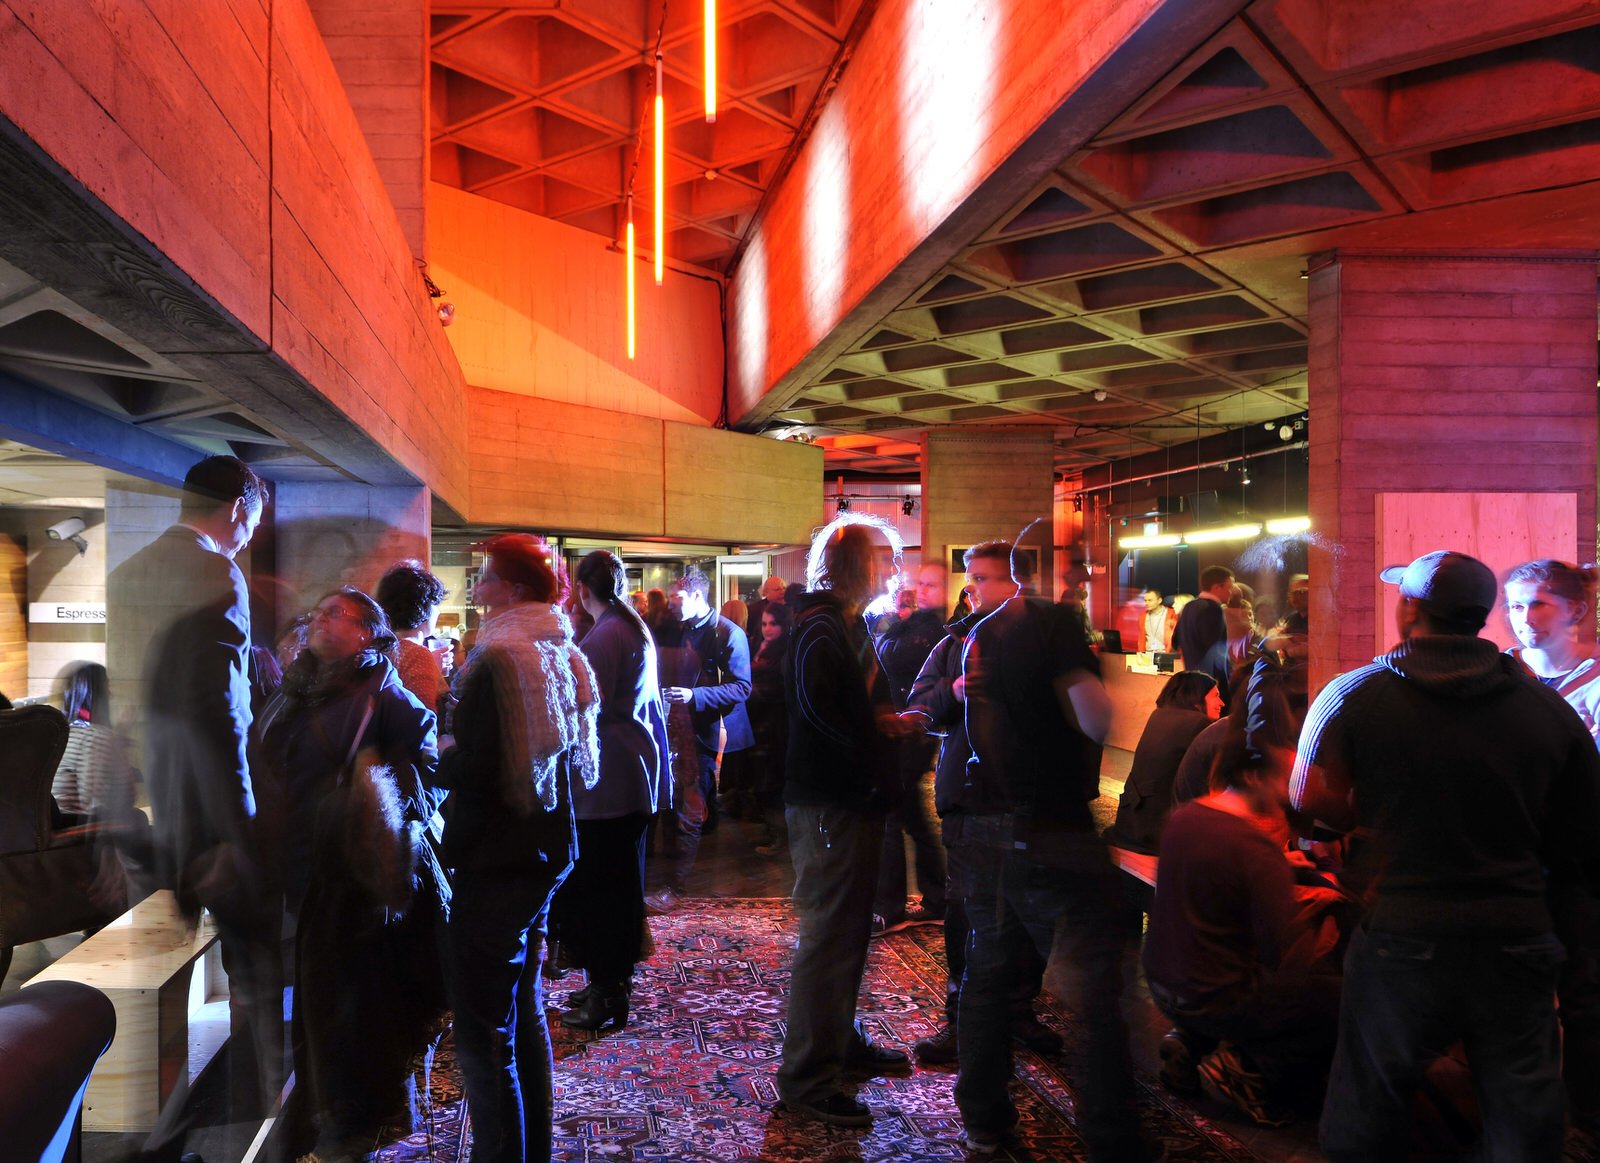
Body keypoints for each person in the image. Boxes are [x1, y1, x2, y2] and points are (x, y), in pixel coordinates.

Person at [1292, 550, 1600, 1162]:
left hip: (1401, 930)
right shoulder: (1550, 710)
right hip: (1516, 935)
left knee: (1369, 1109)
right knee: (1523, 1121)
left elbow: (1308, 806)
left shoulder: (1352, 694)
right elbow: (1583, 835)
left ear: (1410, 609)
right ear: (1484, 616)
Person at [954, 537, 1156, 1159]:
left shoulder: (979, 634)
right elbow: (1095, 720)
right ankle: (1113, 1135)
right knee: (1097, 984)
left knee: (988, 972)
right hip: (1051, 823)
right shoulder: (1054, 626)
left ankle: (984, 1118)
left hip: (988, 820)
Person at [107, 454, 283, 1159]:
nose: (251, 536)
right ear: (239, 508)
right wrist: (237, 824)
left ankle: (158, 1127)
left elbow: (128, 702)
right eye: (255, 521)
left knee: (161, 974)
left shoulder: (128, 572)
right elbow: (221, 714)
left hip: (146, 803)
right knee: (253, 968)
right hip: (206, 807)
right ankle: (253, 1123)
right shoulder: (217, 573)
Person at [254, 587, 444, 1160]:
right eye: (319, 612)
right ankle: (332, 1107)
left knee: (350, 997)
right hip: (300, 864)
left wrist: (377, 796)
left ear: (367, 632)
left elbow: (428, 772)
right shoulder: (297, 687)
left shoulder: (383, 692)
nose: (321, 620)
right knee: (322, 994)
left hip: (351, 872)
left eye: (337, 614)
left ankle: (354, 1116)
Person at [435, 535, 600, 1163]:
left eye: (486, 577)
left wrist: (443, 749)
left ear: (514, 589)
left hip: (498, 855)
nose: (477, 588)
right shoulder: (555, 644)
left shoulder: (501, 655)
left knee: (483, 1034)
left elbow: (483, 769)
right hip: (543, 848)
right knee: (521, 1012)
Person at [1145, 691, 1341, 1128]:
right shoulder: (1254, 845)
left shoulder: (1187, 817)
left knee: (1219, 958)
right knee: (1335, 997)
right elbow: (1281, 946)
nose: (1287, 789)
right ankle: (1248, 1068)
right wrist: (1320, 904)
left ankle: (1189, 1042)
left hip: (1162, 980)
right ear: (1254, 777)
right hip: (1215, 997)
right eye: (1282, 778)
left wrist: (1281, 869)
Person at [902, 540, 1061, 1066]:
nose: (971, 588)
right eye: (970, 577)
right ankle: (962, 1017)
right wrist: (954, 692)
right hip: (970, 802)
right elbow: (920, 706)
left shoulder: (1047, 642)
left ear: (1019, 583)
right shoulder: (954, 642)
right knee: (967, 914)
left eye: (985, 578)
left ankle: (1018, 1008)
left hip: (1033, 801)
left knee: (1030, 914)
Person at [775, 514, 910, 1127]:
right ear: (857, 565)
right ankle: (808, 1077)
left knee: (847, 933)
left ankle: (838, 1042)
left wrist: (881, 728)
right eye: (885, 558)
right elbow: (818, 717)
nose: (894, 569)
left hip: (849, 797)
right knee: (830, 938)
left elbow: (843, 711)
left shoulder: (847, 624)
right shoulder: (822, 627)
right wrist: (872, 749)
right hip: (832, 800)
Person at [1504, 559, 1600, 1137]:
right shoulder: (1503, 678)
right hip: (1511, 857)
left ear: (1576, 611)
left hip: (1578, 862)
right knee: (1518, 992)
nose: (1524, 617)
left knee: (1584, 992)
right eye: (1515, 605)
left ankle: (1586, 1117)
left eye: (1538, 603)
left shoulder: (1594, 685)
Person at [553, 550, 667, 1032]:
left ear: (582, 591)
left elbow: (585, 707)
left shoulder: (606, 635)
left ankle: (608, 990)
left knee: (605, 890)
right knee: (615, 885)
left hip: (611, 779)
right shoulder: (628, 625)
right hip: (629, 770)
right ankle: (606, 982)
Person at [649, 568, 752, 911]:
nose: (671, 604)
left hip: (704, 733)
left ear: (696, 596)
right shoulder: (678, 628)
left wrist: (695, 696)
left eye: (676, 597)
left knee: (689, 811)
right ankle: (667, 883)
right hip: (672, 729)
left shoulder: (728, 633)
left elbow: (742, 687)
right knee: (669, 806)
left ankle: (675, 887)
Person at [871, 561, 949, 933]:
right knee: (912, 816)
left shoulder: (932, 629)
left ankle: (889, 907)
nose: (921, 589)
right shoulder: (917, 624)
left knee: (891, 813)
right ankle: (937, 899)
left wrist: (893, 624)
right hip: (907, 726)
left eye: (930, 584)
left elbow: (889, 658)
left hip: (913, 729)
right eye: (919, 582)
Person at [1102, 670, 1221, 856]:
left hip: (1130, 819)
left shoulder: (1159, 715)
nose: (1222, 703)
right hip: (1157, 828)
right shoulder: (1200, 724)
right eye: (1216, 695)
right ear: (1197, 697)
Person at [51, 661, 138, 821]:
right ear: (98, 696)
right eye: (106, 688)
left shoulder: (63, 734)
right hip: (74, 827)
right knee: (138, 818)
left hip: (56, 823)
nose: (111, 695)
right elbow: (95, 804)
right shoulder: (94, 736)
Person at [376, 559, 453, 714]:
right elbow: (422, 716)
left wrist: (432, 669)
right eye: (436, 604)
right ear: (424, 607)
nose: (438, 611)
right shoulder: (417, 655)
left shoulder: (383, 646)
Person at [747, 600, 793, 856]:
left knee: (773, 779)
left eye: (773, 623)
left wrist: (756, 689)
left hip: (775, 722)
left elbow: (781, 688)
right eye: (764, 623)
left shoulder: (784, 650)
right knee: (762, 777)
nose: (767, 629)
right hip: (759, 719)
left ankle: (778, 835)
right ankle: (771, 830)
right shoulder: (759, 646)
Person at [1175, 565, 1235, 696]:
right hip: (1212, 685)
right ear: (1217, 587)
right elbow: (1216, 652)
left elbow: (1175, 641)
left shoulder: (1188, 607)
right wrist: (1227, 683)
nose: (1231, 592)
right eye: (1229, 588)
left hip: (1193, 681)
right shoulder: (1213, 609)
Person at [1140, 588, 1175, 653]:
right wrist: (1141, 653)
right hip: (1148, 654)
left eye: (1150, 600)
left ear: (1159, 600)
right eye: (1145, 600)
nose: (1147, 603)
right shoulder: (1143, 617)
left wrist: (1168, 653)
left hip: (1165, 653)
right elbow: (1142, 638)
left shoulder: (1171, 614)